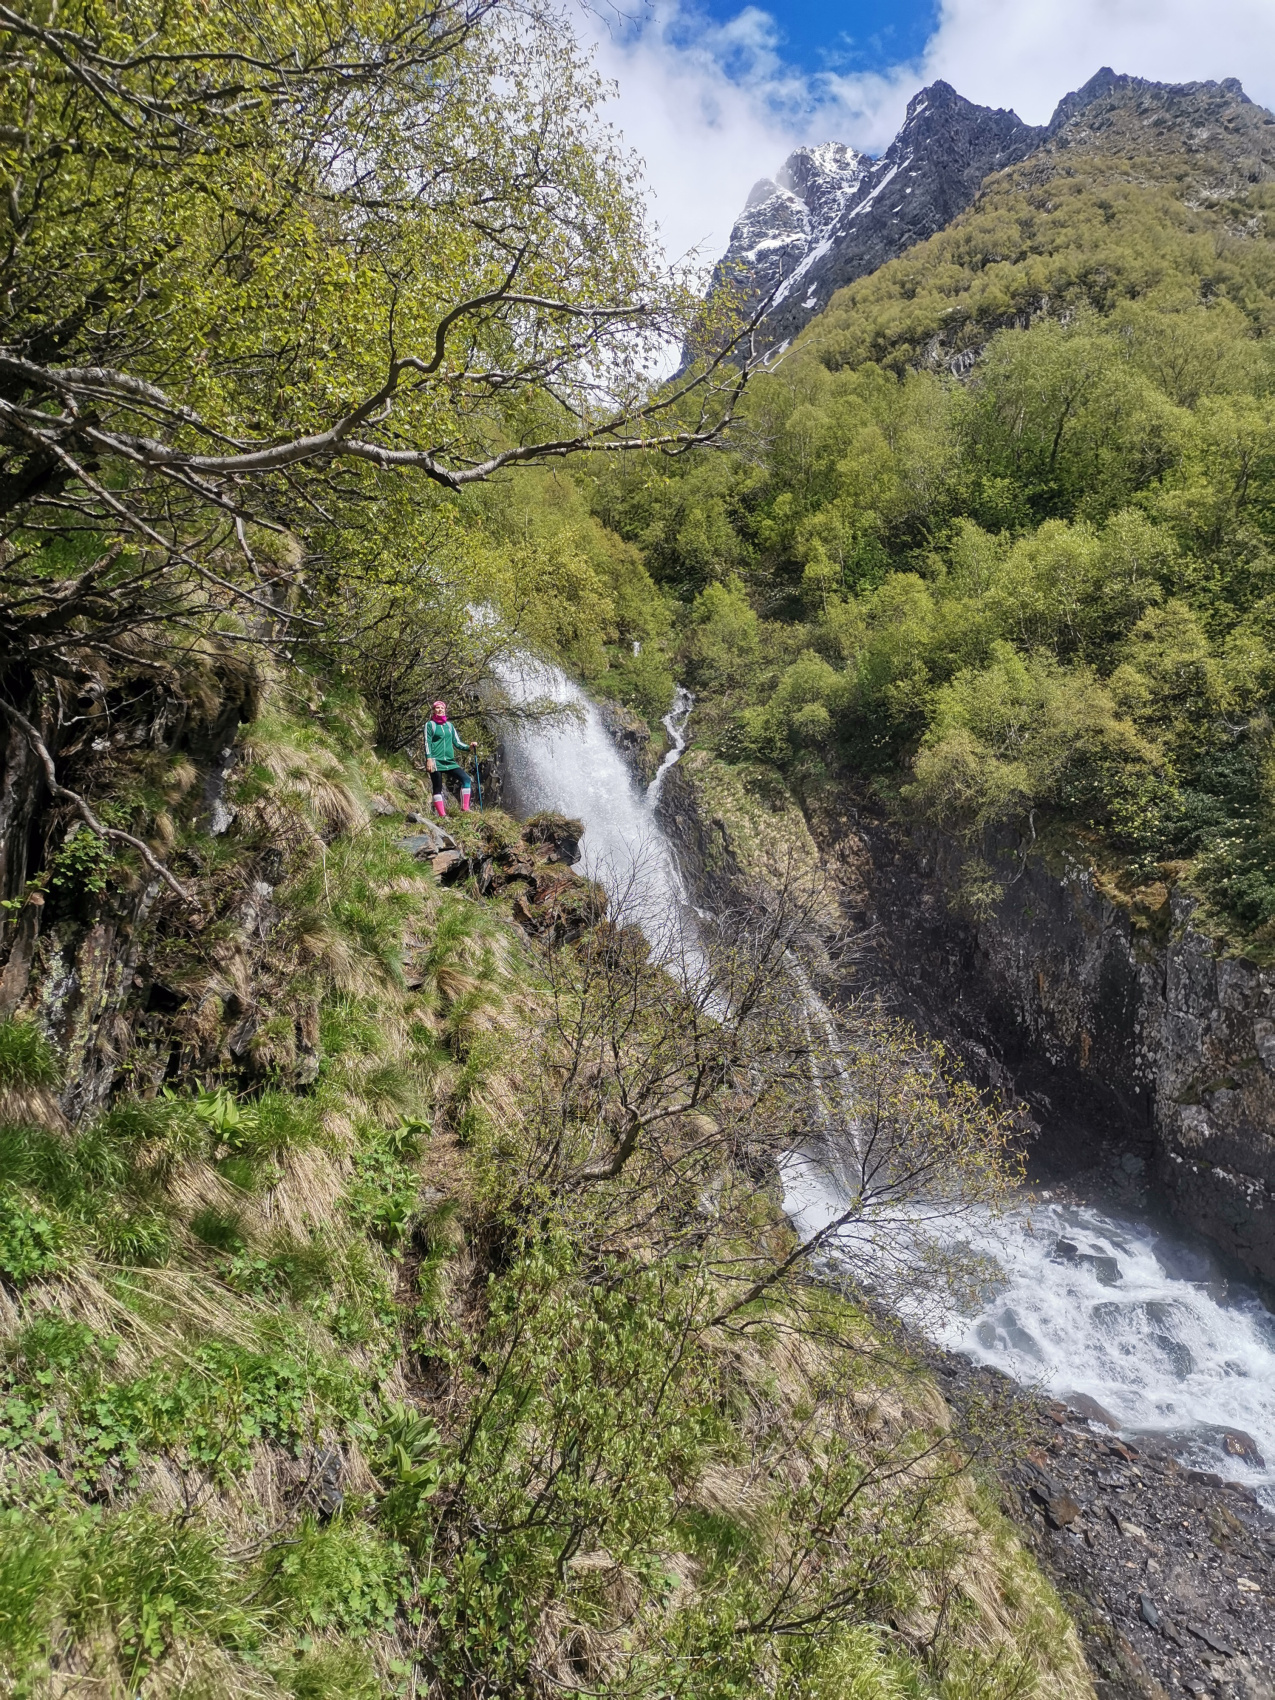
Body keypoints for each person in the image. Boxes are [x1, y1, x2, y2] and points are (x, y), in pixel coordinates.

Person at [424, 700, 473, 818]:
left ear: (445, 710)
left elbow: (457, 742)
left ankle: (465, 808)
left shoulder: (450, 726)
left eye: (442, 708)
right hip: (436, 761)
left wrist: (469, 747)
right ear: (433, 710)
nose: (440, 710)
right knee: (437, 787)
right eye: (437, 708)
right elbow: (427, 742)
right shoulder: (430, 725)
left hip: (450, 761)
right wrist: (429, 759)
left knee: (466, 779)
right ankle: (443, 816)